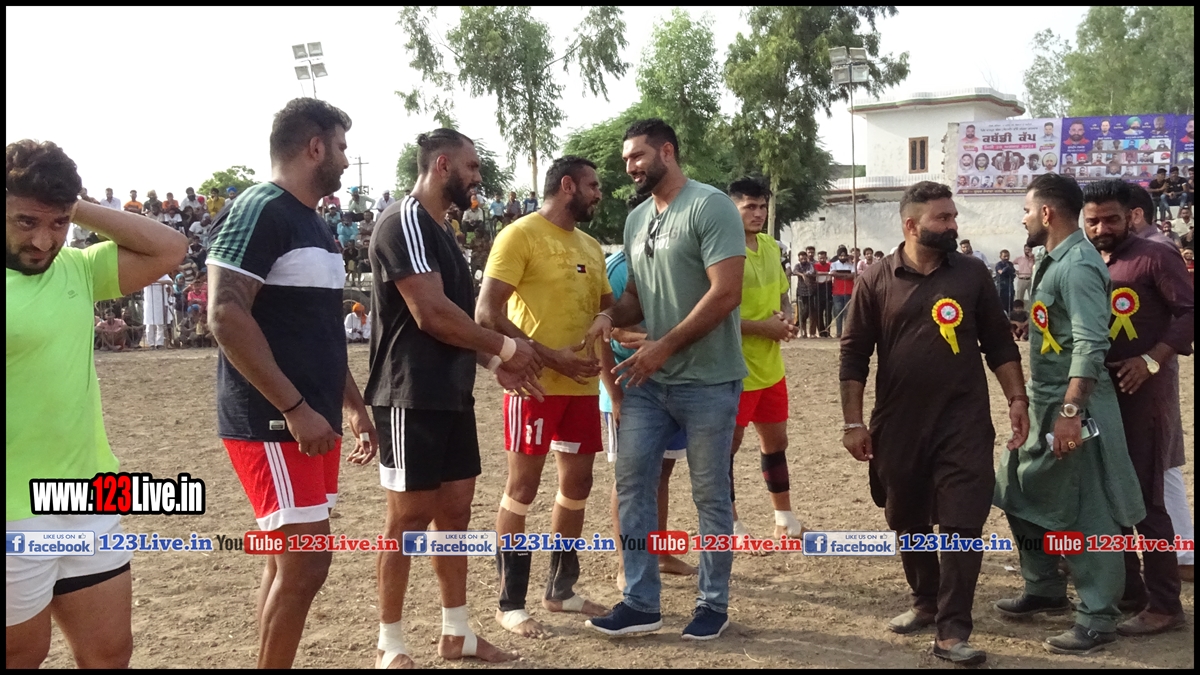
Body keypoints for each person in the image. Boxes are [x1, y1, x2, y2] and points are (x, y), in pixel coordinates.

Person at [205, 98, 378, 669]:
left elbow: (319, 331)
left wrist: (352, 405)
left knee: (288, 561)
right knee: (306, 560)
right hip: (273, 419)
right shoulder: (261, 208)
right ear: (315, 147)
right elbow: (225, 313)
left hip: (309, 416)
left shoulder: (317, 225)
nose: (346, 159)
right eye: (342, 147)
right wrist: (295, 407)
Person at [6, 139, 187, 668]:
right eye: (25, 222)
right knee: (22, 655)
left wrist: (75, 205)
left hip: (88, 498)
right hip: (13, 513)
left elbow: (169, 248)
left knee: (109, 654)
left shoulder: (77, 268)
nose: (43, 240)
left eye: (58, 223)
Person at [366, 128, 541, 668]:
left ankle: (456, 633)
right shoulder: (404, 220)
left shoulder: (441, 229)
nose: (477, 179)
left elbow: (458, 320)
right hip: (409, 394)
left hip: (451, 392)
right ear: (442, 165)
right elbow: (431, 314)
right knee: (407, 520)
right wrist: (506, 347)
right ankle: (389, 643)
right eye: (472, 167)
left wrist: (492, 363)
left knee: (456, 514)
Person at [840, 181, 1028, 666]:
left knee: (964, 518)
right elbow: (854, 355)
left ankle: (952, 630)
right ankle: (925, 600)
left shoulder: (972, 273)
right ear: (912, 224)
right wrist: (852, 423)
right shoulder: (875, 279)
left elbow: (999, 343)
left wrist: (1016, 397)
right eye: (943, 218)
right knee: (907, 515)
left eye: (953, 216)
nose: (952, 225)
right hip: (898, 422)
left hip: (964, 420)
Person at [583, 118, 746, 641]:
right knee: (632, 486)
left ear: (667, 152)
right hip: (648, 384)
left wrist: (663, 346)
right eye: (626, 159)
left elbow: (727, 293)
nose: (630, 166)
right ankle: (640, 602)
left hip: (709, 380)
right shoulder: (636, 219)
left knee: (710, 495)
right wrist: (610, 316)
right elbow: (636, 295)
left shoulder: (710, 206)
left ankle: (712, 604)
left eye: (638, 156)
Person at [993, 172, 1145, 656]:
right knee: (1016, 489)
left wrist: (1071, 412)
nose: (1023, 218)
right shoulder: (1049, 259)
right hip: (1043, 401)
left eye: (1026, 209)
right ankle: (1044, 587)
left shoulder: (1077, 266)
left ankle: (1098, 617)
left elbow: (1091, 344)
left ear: (1046, 213)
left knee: (1087, 511)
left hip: (1073, 405)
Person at [476, 155, 613, 639]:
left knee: (578, 484)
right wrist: (552, 358)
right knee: (523, 489)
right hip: (534, 385)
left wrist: (609, 326)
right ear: (568, 185)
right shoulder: (520, 235)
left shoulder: (591, 246)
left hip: (581, 388)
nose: (599, 194)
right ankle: (509, 602)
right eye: (593, 185)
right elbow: (487, 313)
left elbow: (607, 312)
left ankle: (561, 589)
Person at [1081, 179, 1192, 635]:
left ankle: (1165, 605)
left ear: (1131, 217)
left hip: (1144, 396)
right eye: (1093, 221)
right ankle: (1129, 590)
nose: (1101, 228)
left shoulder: (1155, 254)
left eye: (1111, 219)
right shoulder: (1090, 258)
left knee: (1147, 501)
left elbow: (1189, 312)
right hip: (1100, 396)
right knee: (1110, 496)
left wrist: (1152, 360)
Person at [600, 238, 697, 594]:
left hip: (671, 385)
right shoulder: (617, 269)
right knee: (630, 480)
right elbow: (602, 333)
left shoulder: (673, 259)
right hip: (629, 388)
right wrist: (615, 396)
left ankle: (658, 553)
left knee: (662, 472)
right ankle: (627, 563)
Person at [725, 178, 804, 541]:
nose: (758, 214)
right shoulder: (722, 250)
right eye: (749, 207)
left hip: (771, 368)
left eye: (762, 207)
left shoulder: (772, 246)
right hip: (734, 369)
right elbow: (714, 314)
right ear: (732, 209)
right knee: (727, 449)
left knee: (776, 443)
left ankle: (784, 518)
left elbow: (784, 294)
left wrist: (787, 319)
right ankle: (730, 524)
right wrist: (763, 328)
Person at [142, 273, 173, 349]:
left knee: (160, 323)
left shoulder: (162, 273)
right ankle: (151, 344)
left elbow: (170, 282)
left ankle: (160, 343)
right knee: (149, 324)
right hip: (149, 302)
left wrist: (157, 281)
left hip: (159, 302)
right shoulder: (145, 274)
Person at [829, 246, 855, 338]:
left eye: (844, 255)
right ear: (838, 256)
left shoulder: (851, 265)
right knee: (838, 311)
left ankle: (847, 332)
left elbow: (853, 275)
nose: (843, 257)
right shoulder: (834, 264)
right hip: (837, 292)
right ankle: (839, 332)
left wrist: (839, 275)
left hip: (849, 291)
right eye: (841, 256)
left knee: (848, 313)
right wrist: (846, 276)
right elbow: (833, 273)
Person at [792, 251, 816, 338]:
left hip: (810, 291)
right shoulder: (797, 266)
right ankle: (803, 332)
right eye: (801, 258)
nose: (803, 260)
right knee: (801, 312)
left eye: (805, 258)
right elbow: (794, 271)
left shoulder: (810, 265)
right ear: (799, 259)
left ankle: (810, 332)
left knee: (809, 311)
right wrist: (802, 274)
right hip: (801, 292)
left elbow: (812, 271)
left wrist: (805, 274)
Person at [812, 250, 832, 337]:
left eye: (823, 258)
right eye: (820, 258)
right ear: (818, 258)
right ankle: (821, 332)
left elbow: (832, 272)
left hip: (828, 287)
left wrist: (826, 273)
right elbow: (816, 273)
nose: (822, 259)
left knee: (828, 312)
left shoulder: (830, 265)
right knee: (819, 312)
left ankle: (827, 331)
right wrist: (827, 273)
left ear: (826, 258)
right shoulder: (815, 265)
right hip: (819, 288)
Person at [994, 249, 1016, 313]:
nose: (1006, 258)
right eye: (1004, 256)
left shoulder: (1010, 264)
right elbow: (1000, 272)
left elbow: (1013, 272)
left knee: (1010, 302)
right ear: (1000, 257)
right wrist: (1006, 268)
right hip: (1001, 287)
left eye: (1008, 256)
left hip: (1009, 286)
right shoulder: (999, 264)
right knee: (1001, 302)